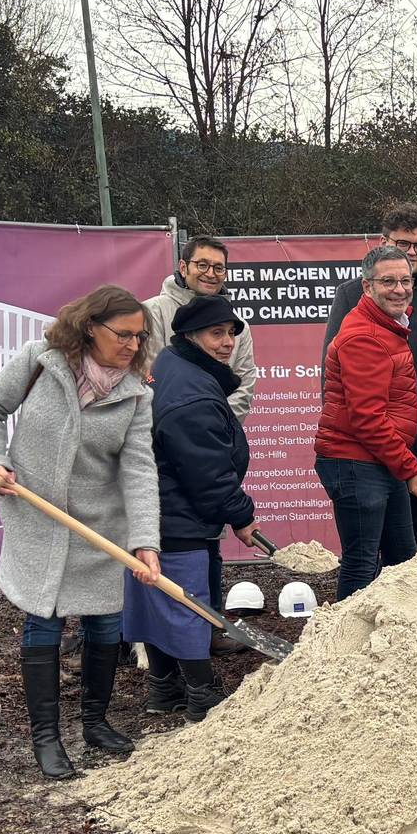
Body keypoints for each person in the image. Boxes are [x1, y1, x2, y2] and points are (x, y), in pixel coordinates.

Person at [0, 285, 161, 781]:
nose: (132, 346)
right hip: (38, 518)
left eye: (140, 337)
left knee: (103, 626)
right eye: (123, 335)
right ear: (90, 327)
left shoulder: (136, 392)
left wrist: (145, 542)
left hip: (101, 527)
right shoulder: (41, 361)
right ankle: (46, 737)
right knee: (45, 620)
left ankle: (95, 723)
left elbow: (139, 471)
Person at [124, 295, 258, 722]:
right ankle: (201, 693)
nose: (226, 343)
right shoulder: (192, 392)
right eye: (215, 333)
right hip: (176, 514)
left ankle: (164, 690)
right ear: (189, 336)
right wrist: (241, 514)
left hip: (155, 511)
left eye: (231, 334)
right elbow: (207, 470)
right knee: (188, 605)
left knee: (157, 600)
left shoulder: (173, 367)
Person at [323, 204, 417, 544]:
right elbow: (336, 378)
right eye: (402, 244)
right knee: (372, 552)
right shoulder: (352, 295)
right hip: (373, 450)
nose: (411, 252)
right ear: (383, 242)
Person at [317, 246, 417, 597]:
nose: (399, 289)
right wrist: (412, 469)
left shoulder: (388, 327)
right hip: (354, 461)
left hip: (381, 460)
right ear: (367, 287)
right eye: (388, 281)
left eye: (405, 280)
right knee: (362, 562)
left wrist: (401, 465)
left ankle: (397, 639)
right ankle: (342, 647)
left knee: (402, 556)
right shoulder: (364, 336)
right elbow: (368, 419)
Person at [145, 235, 258, 423]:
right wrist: (180, 429)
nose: (211, 274)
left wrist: (213, 428)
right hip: (161, 437)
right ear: (183, 267)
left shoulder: (241, 327)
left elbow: (243, 387)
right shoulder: (152, 313)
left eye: (218, 268)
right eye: (202, 265)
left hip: (218, 436)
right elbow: (147, 377)